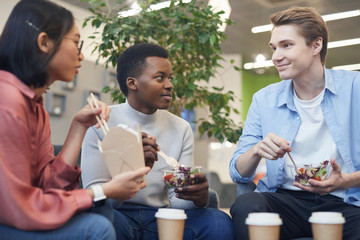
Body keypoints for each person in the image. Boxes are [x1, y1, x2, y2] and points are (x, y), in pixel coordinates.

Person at [0, 1, 150, 239]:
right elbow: (18, 206)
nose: (81, 55)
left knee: (101, 208)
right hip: (11, 217)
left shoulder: (35, 108)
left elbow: (50, 187)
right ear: (44, 43)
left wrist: (79, 127)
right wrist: (103, 190)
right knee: (97, 226)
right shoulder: (7, 101)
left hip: (18, 213)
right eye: (76, 43)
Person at [229, 6, 360, 240]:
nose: (276, 56)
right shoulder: (264, 100)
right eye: (274, 47)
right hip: (287, 202)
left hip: (346, 202)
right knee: (248, 205)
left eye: (286, 45)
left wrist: (345, 181)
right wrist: (257, 150)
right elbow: (238, 172)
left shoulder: (355, 88)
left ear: (316, 46)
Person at [81, 43, 235, 240]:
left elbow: (178, 203)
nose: (170, 85)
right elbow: (96, 200)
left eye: (170, 78)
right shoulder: (101, 123)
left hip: (162, 218)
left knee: (218, 221)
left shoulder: (181, 128)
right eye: (160, 78)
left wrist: (199, 197)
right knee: (105, 221)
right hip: (119, 216)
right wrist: (134, 168)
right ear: (132, 83)